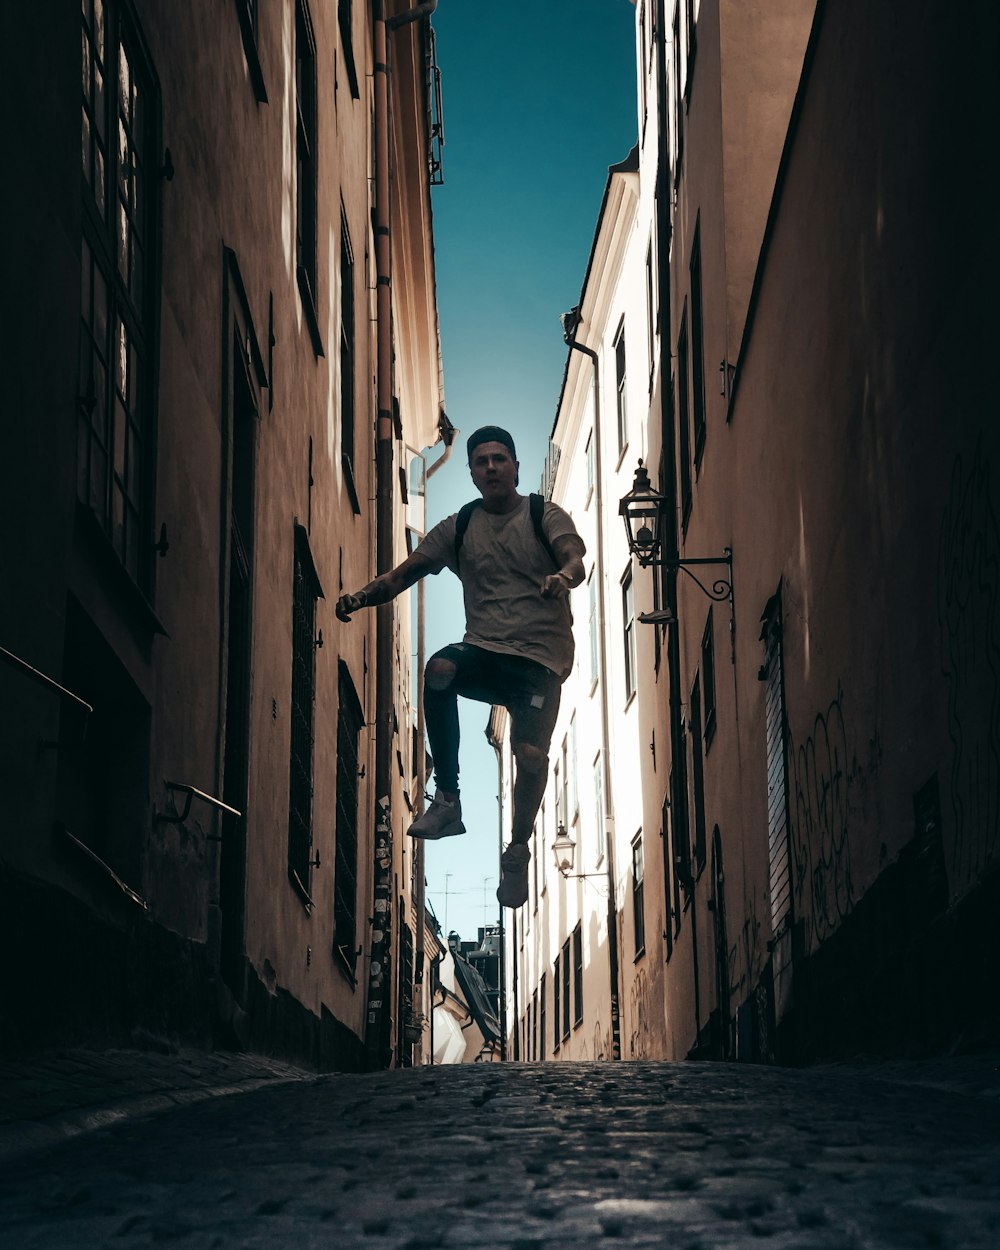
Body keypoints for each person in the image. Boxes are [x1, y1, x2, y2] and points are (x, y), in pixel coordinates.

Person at [336, 426, 585, 908]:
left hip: (539, 661)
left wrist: (562, 577)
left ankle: (517, 850)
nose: (490, 467)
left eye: (499, 459)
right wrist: (363, 597)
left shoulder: (542, 514)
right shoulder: (460, 526)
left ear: (514, 465)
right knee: (440, 669)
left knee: (530, 755)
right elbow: (405, 573)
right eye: (481, 462)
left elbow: (576, 558)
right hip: (487, 651)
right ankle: (447, 799)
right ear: (472, 473)